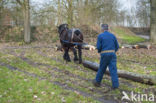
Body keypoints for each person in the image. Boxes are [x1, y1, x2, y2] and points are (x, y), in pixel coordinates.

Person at [92, 24, 119, 89]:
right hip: (112, 54)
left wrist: (99, 51)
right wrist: (113, 51)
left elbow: (98, 47)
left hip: (104, 54)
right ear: (107, 29)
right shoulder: (113, 36)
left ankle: (97, 82)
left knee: (101, 68)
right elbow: (117, 46)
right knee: (113, 70)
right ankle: (115, 85)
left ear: (102, 29)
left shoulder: (100, 36)